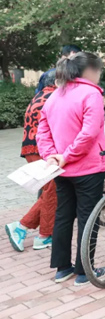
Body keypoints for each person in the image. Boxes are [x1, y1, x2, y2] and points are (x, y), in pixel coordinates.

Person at [36, 52, 105, 286]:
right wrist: (66, 156)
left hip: (61, 169)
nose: (99, 75)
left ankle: (62, 268)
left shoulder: (55, 95)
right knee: (88, 219)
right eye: (99, 71)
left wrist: (52, 156)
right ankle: (84, 271)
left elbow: (42, 131)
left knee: (63, 216)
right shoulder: (91, 94)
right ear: (90, 70)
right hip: (88, 168)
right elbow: (89, 133)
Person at [5, 71, 58, 253]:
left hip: (31, 150)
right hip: (43, 150)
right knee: (52, 192)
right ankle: (41, 235)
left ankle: (23, 227)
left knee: (49, 191)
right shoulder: (54, 97)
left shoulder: (39, 95)